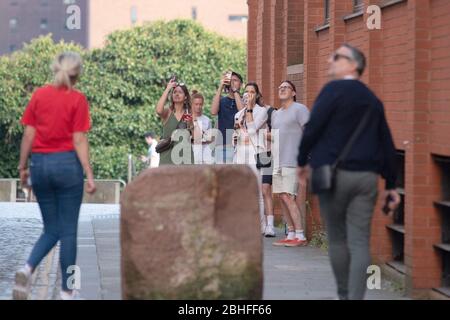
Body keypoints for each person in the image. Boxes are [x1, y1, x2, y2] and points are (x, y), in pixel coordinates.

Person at [297, 44, 401, 300]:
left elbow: (312, 129)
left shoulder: (332, 91)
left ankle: (344, 295)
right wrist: (391, 185)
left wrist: (301, 162)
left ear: (353, 65)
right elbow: (386, 143)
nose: (331, 60)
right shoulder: (371, 99)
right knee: (359, 241)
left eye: (337, 57)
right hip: (366, 178)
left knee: (337, 239)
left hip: (333, 176)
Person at [14, 52, 96, 300]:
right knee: (68, 230)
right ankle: (66, 292)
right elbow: (79, 139)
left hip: (40, 166)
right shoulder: (77, 99)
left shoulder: (39, 95)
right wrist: (89, 173)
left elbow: (28, 134)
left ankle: (27, 268)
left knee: (51, 228)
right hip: (67, 166)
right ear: (77, 74)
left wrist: (22, 167)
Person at [271, 80, 310, 247]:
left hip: (293, 160)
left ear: (294, 92)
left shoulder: (300, 109)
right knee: (281, 197)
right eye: (280, 87)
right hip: (278, 161)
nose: (282, 89)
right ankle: (291, 233)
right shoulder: (276, 114)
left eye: (285, 87)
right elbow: (275, 137)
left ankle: (300, 236)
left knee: (288, 196)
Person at [233, 82, 268, 235]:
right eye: (246, 92)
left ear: (256, 95)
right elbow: (236, 134)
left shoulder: (262, 111)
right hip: (240, 154)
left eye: (252, 92)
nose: (248, 94)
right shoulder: (238, 114)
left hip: (255, 155)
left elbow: (253, 131)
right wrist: (235, 138)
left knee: (257, 192)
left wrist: (248, 109)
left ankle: (260, 226)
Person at [155, 78, 194, 165]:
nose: (177, 94)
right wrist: (168, 88)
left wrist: (191, 124)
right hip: (167, 158)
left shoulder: (189, 113)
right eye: (175, 92)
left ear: (185, 97)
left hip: (185, 158)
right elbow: (158, 110)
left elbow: (195, 137)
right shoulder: (168, 112)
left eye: (180, 92)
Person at [211, 71, 244, 164]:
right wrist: (221, 86)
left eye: (235, 80)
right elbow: (213, 112)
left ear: (241, 84)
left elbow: (242, 112)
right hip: (222, 146)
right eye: (231, 80)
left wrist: (235, 91)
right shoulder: (222, 101)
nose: (232, 82)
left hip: (239, 147)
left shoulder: (244, 101)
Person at [260, 97, 276, 237]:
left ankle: (270, 225)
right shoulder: (243, 113)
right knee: (258, 191)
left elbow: (277, 134)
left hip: (266, 154)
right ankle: (262, 224)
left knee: (266, 189)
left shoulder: (270, 111)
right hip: (250, 153)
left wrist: (261, 134)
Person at [191, 91, 213, 164]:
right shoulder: (187, 119)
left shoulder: (207, 120)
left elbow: (210, 139)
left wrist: (203, 136)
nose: (198, 106)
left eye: (200, 104)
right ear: (192, 104)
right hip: (191, 153)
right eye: (196, 104)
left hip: (205, 154)